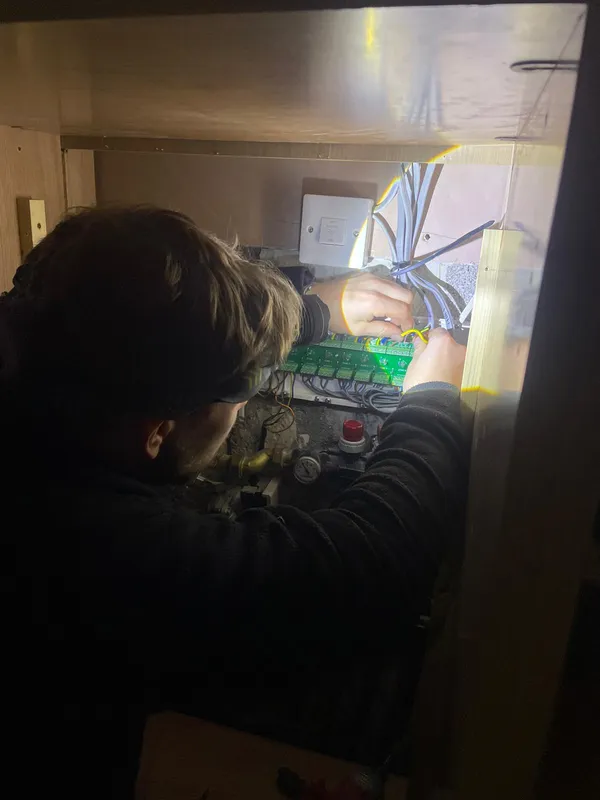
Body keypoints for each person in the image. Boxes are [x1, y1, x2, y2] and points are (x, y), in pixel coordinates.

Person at [1, 207, 468, 798]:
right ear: (157, 430)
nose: (243, 408)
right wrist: (430, 401)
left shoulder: (32, 331)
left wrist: (314, 309)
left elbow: (135, 308)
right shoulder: (96, 549)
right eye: (240, 393)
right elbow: (375, 561)